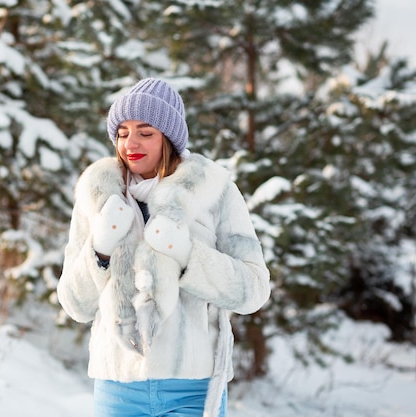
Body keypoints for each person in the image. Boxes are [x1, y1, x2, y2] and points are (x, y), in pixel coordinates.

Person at [57, 78, 270, 417]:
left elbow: (253, 290)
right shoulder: (98, 197)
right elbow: (74, 304)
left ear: (168, 137)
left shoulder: (215, 193)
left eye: (145, 132)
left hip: (193, 388)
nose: (131, 143)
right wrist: (100, 248)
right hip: (118, 390)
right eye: (123, 132)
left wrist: (186, 256)